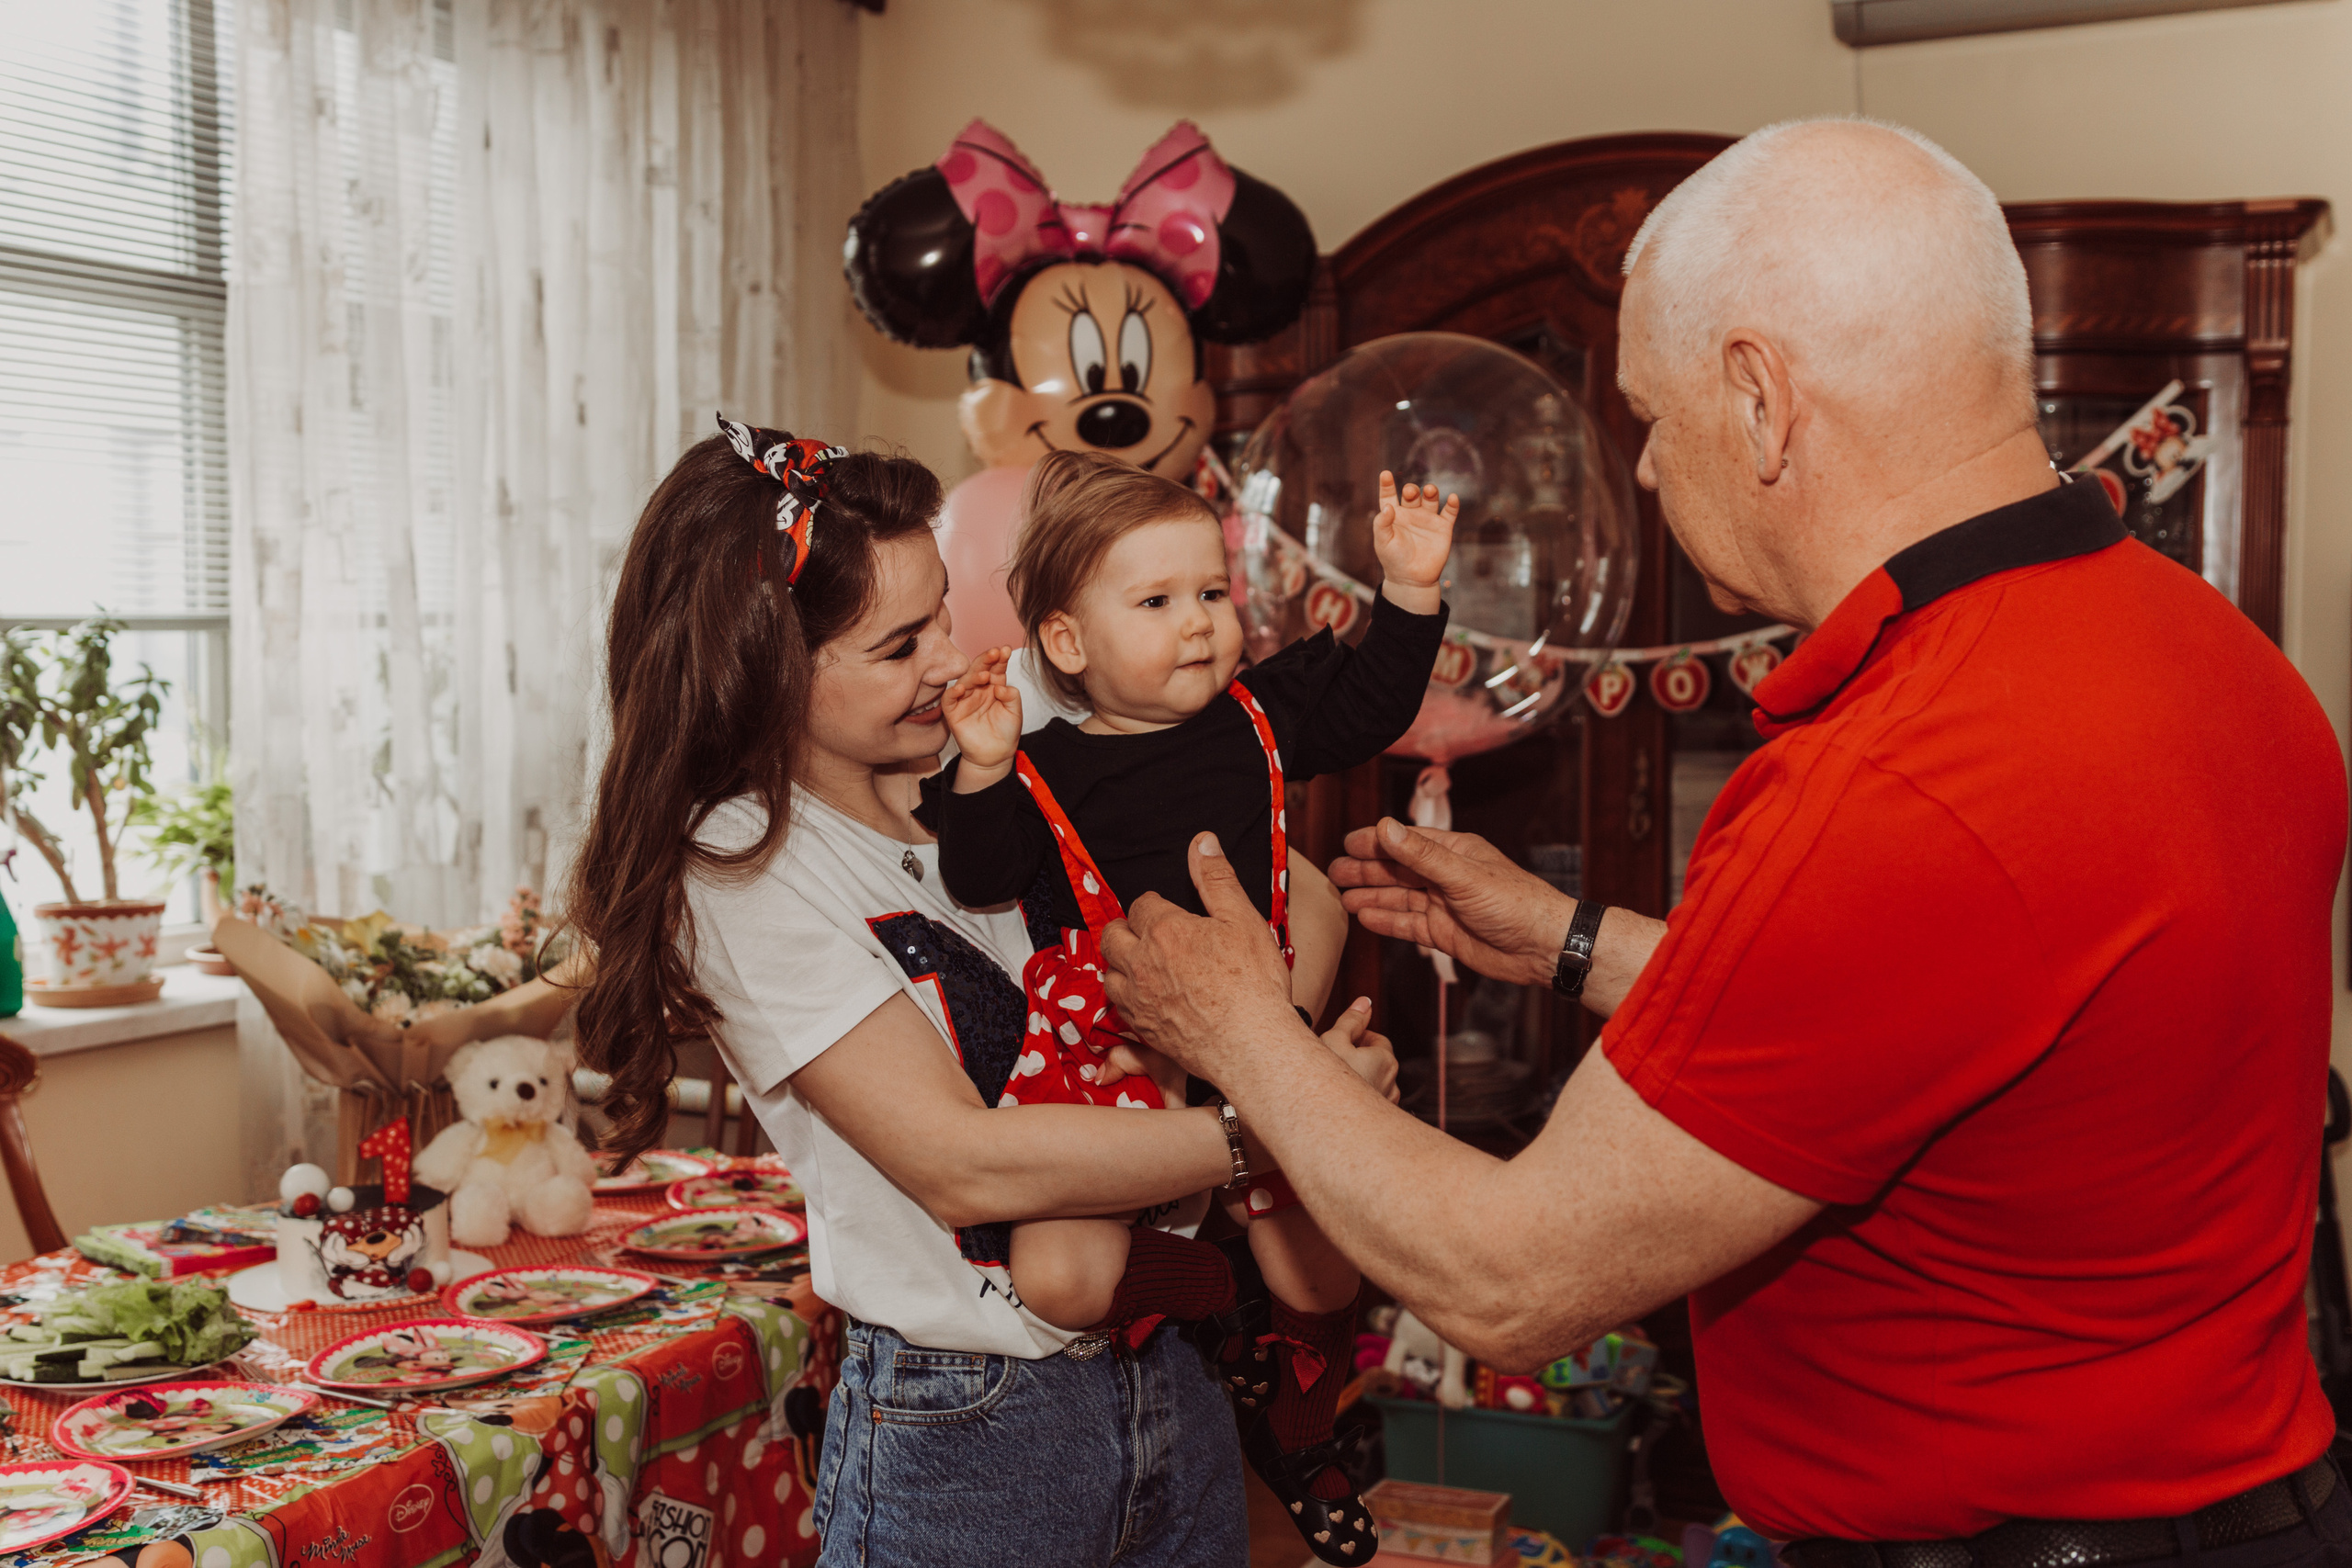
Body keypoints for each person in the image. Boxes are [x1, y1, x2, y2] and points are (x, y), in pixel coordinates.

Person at [1098, 117, 2352, 1563]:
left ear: (1761, 398)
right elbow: (1941, 1005)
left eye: (1651, 414)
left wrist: (1243, 1029)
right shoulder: (2213, 650)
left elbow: (1512, 1275)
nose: (1643, 471)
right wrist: (1569, 939)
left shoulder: (1896, 772)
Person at [563, 417, 1396, 1568]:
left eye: (945, 615)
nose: (951, 661)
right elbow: (962, 1163)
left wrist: (1268, 1044)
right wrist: (1287, 1110)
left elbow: (1294, 887)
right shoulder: (742, 869)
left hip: (1177, 1375)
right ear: (766, 667)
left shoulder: (1002, 751)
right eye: (899, 645)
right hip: (971, 1430)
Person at [933, 448, 1453, 1559]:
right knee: (1058, 1279)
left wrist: (1408, 589)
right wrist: (979, 769)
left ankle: (1296, 1415)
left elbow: (1371, 704)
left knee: (1323, 1272)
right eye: (1157, 602)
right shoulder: (1040, 765)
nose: (1200, 624)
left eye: (1211, 592)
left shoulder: (1259, 715)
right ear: (1067, 643)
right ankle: (1220, 1303)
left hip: (1258, 1027)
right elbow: (976, 878)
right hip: (1111, 1049)